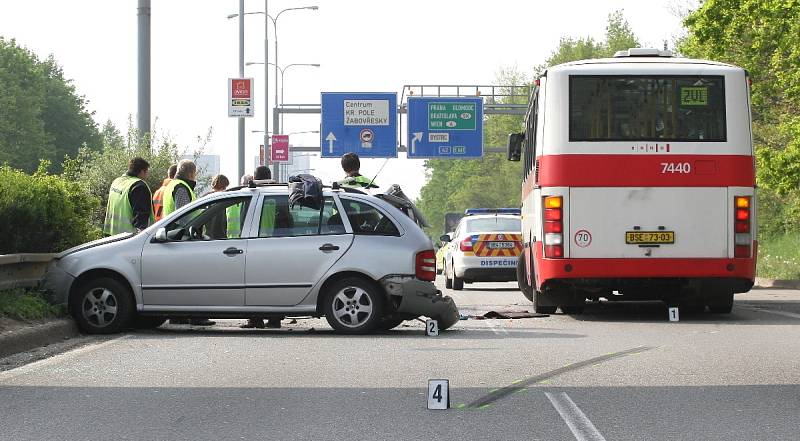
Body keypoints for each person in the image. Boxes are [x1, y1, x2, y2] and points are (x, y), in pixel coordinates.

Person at [163, 160, 214, 326]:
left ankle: (178, 315)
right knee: (195, 279)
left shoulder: (172, 185)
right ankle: (196, 315)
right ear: (191, 173)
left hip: (173, 238)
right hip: (184, 238)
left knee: (180, 280)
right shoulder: (181, 188)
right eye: (195, 174)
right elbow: (185, 215)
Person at [240, 166, 284, 330]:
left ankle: (255, 319)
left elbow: (246, 220)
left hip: (254, 246)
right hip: (276, 246)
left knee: (253, 283)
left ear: (256, 177)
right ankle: (275, 319)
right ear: (270, 176)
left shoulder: (252, 193)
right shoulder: (279, 192)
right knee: (273, 283)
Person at [103, 157, 154, 236]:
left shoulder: (117, 181)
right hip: (130, 238)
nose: (147, 175)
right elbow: (141, 216)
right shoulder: (139, 186)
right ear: (141, 171)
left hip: (111, 235)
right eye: (146, 172)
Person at [205, 174, 230, 239]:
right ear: (222, 187)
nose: (225, 190)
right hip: (216, 237)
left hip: (209, 236)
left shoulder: (207, 198)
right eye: (224, 187)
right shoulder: (218, 199)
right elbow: (218, 223)